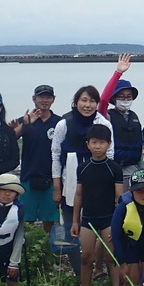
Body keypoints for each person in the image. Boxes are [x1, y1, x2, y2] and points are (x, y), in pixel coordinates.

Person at [51, 85, 114, 275]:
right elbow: (55, 154)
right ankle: (80, 271)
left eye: (92, 101)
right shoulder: (64, 123)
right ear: (76, 102)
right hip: (70, 177)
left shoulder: (103, 123)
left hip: (97, 176)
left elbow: (110, 154)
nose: (87, 105)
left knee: (102, 224)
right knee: (72, 223)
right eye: (84, 100)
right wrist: (57, 187)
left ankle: (100, 268)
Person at [70, 124, 124, 286]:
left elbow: (119, 197)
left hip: (109, 218)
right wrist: (75, 221)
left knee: (112, 256)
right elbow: (79, 195)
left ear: (109, 144)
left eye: (102, 143)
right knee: (86, 257)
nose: (98, 146)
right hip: (88, 218)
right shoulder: (83, 168)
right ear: (88, 144)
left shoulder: (114, 168)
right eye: (94, 142)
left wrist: (120, 221)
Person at [14, 85, 62, 234]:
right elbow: (11, 138)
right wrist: (25, 124)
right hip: (28, 177)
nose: (44, 100)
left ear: (53, 99)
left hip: (51, 178)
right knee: (26, 219)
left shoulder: (60, 122)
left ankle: (47, 245)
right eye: (41, 97)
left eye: (48, 97)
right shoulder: (25, 120)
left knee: (50, 219)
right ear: (34, 98)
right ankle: (26, 246)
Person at [99, 54, 144, 178]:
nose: (125, 100)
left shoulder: (134, 117)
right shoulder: (106, 117)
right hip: (114, 167)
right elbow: (103, 100)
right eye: (121, 96)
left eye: (128, 97)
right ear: (114, 98)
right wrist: (118, 73)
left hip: (135, 168)